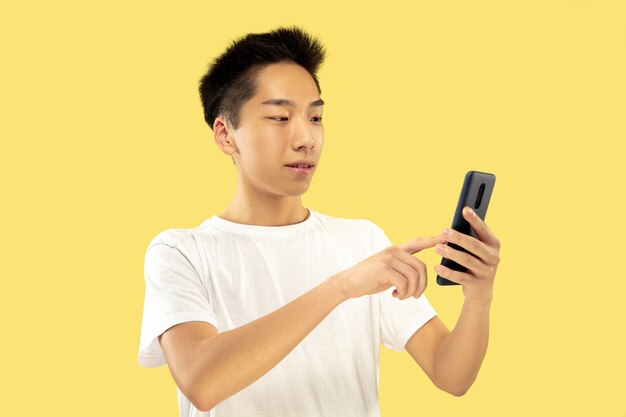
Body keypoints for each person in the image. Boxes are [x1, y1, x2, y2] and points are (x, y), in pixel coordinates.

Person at [137, 25, 501, 417]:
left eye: (315, 117)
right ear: (226, 135)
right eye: (279, 117)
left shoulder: (362, 241)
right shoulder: (181, 251)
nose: (306, 138)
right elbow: (203, 382)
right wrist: (342, 287)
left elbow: (451, 375)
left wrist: (478, 300)